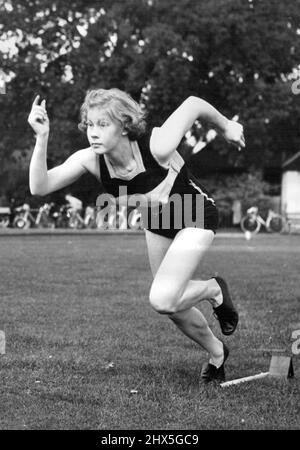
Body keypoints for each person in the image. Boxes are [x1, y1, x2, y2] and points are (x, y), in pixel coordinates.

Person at [28, 89, 245, 383]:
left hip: (194, 213)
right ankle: (217, 353)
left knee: (164, 298)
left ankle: (213, 289)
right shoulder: (91, 159)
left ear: (124, 125)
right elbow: (40, 187)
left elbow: (193, 103)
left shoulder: (156, 145)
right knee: (173, 307)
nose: (93, 132)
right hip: (157, 222)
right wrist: (42, 137)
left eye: (103, 125)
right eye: (90, 124)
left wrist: (226, 126)